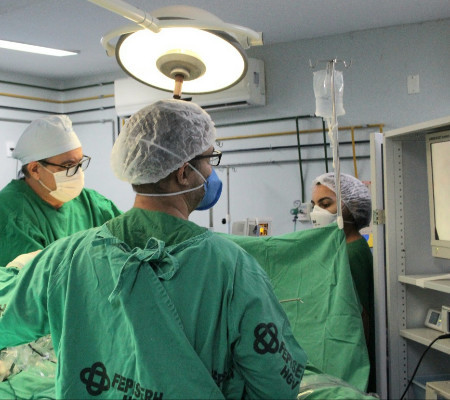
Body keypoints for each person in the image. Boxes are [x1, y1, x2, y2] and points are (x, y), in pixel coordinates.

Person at [0, 100, 307, 399]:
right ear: (184, 173)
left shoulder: (65, 257)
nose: (211, 173)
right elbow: (276, 385)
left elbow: (7, 323)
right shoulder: (232, 267)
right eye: (209, 161)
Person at [0, 114, 122, 265]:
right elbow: (36, 274)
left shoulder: (91, 203)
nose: (78, 172)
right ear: (35, 169)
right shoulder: (10, 213)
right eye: (68, 165)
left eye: (79, 163)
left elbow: (129, 237)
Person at [309, 172, 375, 393]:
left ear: (352, 206)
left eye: (325, 204)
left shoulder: (352, 253)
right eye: (314, 205)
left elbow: (360, 319)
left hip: (353, 367)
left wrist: (352, 369)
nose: (316, 212)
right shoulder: (343, 249)